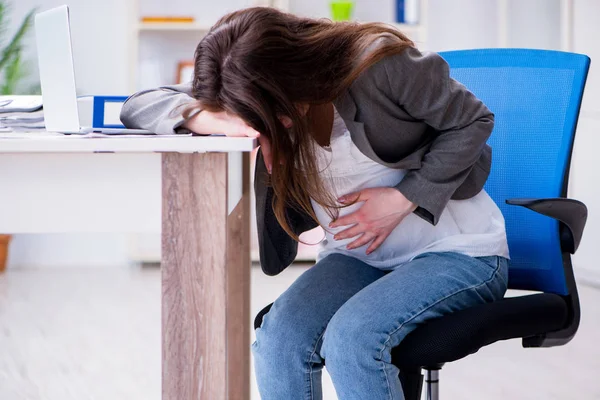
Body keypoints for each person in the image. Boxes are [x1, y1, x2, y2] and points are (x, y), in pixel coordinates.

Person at [121, 7, 509, 400]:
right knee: (279, 342)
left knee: (353, 341)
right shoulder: (242, 83)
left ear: (296, 74)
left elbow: (473, 120)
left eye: (276, 115)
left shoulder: (380, 63)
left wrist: (403, 198)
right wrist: (215, 120)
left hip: (456, 253)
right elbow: (137, 105)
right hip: (358, 258)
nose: (278, 126)